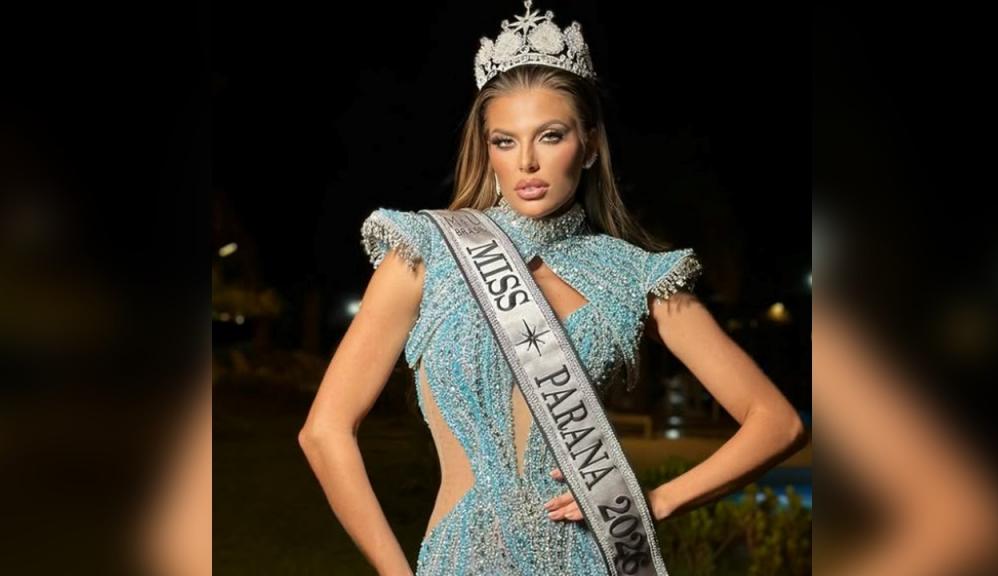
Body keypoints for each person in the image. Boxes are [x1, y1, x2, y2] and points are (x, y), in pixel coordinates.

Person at [298, 2, 806, 574]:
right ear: (486, 149)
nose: (528, 162)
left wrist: (655, 502)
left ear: (589, 146)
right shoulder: (427, 252)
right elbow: (325, 432)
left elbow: (778, 422)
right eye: (505, 141)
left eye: (551, 136)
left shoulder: (635, 275)